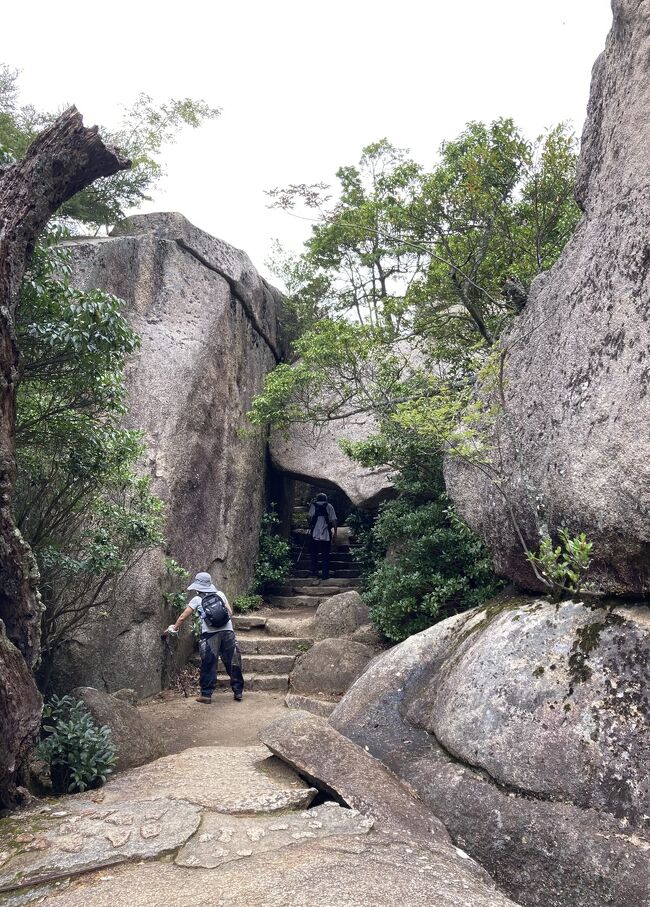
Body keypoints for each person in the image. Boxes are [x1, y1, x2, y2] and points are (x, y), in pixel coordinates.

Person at [166, 571, 244, 704]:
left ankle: (206, 695)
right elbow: (229, 613)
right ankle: (238, 691)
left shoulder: (197, 599)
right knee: (232, 661)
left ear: (198, 585)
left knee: (209, 663)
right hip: (227, 631)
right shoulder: (220, 594)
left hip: (210, 634)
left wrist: (174, 628)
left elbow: (183, 617)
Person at [308, 492, 337, 580]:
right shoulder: (329, 506)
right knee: (325, 554)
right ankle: (325, 574)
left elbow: (309, 517)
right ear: (325, 499)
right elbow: (334, 520)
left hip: (314, 534)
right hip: (326, 534)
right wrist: (335, 532)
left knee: (314, 554)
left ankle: (314, 573)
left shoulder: (313, 506)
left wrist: (310, 524)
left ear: (317, 499)